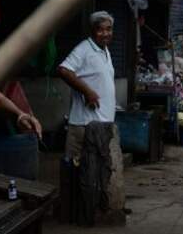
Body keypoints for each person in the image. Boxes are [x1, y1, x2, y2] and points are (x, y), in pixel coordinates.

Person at [57, 11, 125, 215]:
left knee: (96, 170)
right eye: (100, 29)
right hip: (83, 124)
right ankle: (71, 212)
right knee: (75, 169)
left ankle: (90, 210)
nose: (105, 33)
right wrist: (87, 91)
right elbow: (63, 70)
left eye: (109, 29)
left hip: (102, 124)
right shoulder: (84, 49)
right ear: (93, 31)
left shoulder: (105, 50)